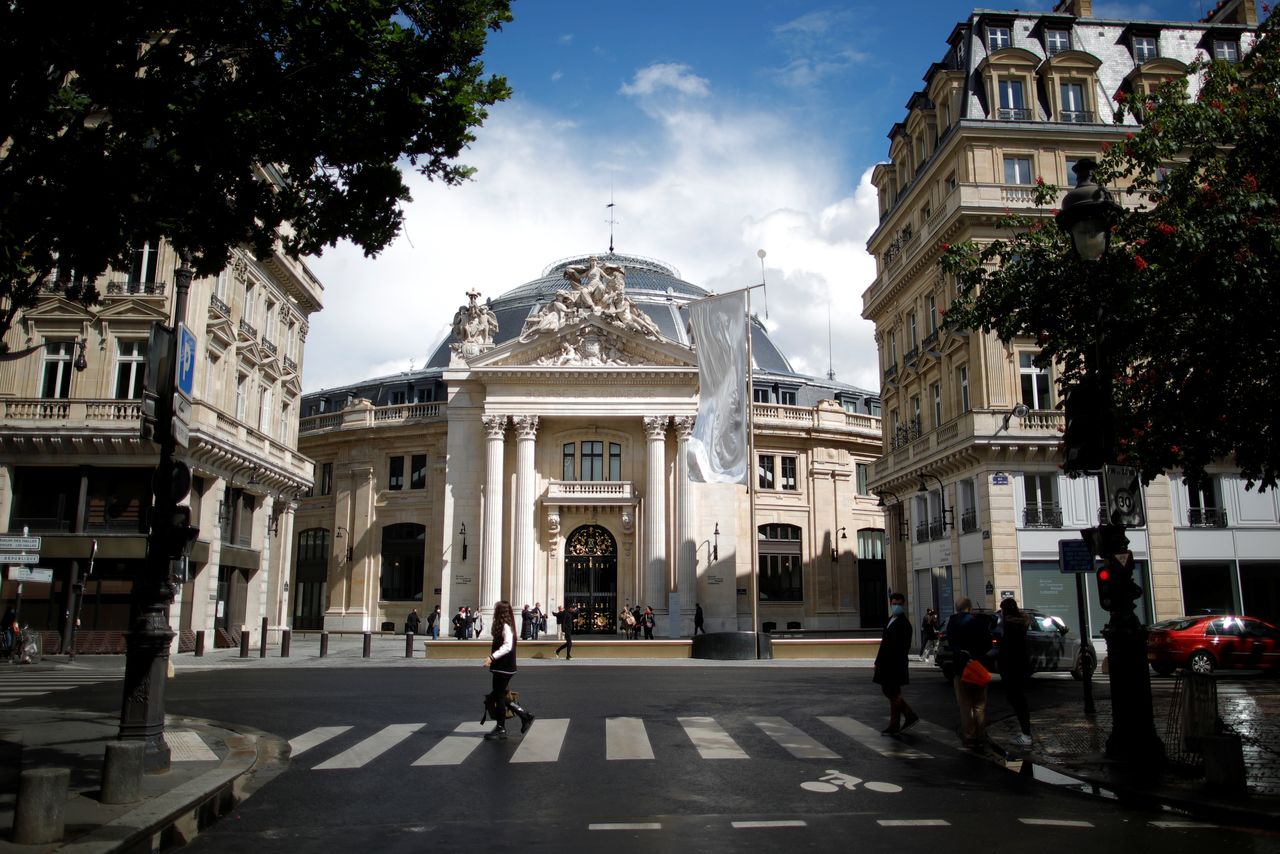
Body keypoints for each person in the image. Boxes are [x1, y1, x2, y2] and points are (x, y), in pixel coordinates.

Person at [482, 601, 535, 741]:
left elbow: (507, 647)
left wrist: (491, 658)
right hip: (503, 667)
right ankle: (524, 715)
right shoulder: (505, 626)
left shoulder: (506, 627)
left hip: (504, 667)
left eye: (496, 610)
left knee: (498, 697)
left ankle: (502, 728)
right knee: (498, 695)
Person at [945, 597, 993, 749]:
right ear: (970, 608)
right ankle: (981, 733)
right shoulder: (979, 622)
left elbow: (951, 644)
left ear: (957, 608)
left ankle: (969, 736)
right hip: (979, 666)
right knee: (980, 703)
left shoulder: (952, 623)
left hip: (961, 667)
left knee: (965, 704)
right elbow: (988, 643)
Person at [873, 592, 919, 735]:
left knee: (891, 691)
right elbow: (884, 643)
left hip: (894, 664)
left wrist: (890, 661)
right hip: (885, 662)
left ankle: (908, 714)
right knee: (891, 692)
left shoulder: (904, 624)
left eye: (899, 604)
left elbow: (902, 647)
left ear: (903, 604)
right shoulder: (890, 620)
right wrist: (877, 661)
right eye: (894, 604)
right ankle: (894, 725)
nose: (896, 606)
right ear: (890, 604)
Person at [997, 597, 1033, 747]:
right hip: (1021, 667)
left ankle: (1026, 734)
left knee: (1017, 700)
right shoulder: (1021, 625)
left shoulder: (1010, 627)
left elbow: (1007, 650)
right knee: (1019, 700)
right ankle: (1026, 732)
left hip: (1012, 667)